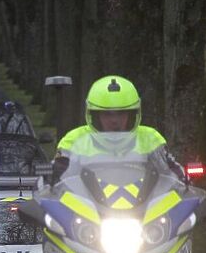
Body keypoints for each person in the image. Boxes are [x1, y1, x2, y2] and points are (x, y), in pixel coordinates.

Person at [53, 75, 183, 180]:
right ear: (95, 116)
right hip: (88, 209)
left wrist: (182, 180)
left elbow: (175, 174)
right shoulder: (74, 141)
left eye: (121, 113)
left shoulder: (150, 139)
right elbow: (56, 179)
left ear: (133, 114)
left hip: (144, 208)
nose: (114, 120)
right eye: (107, 114)